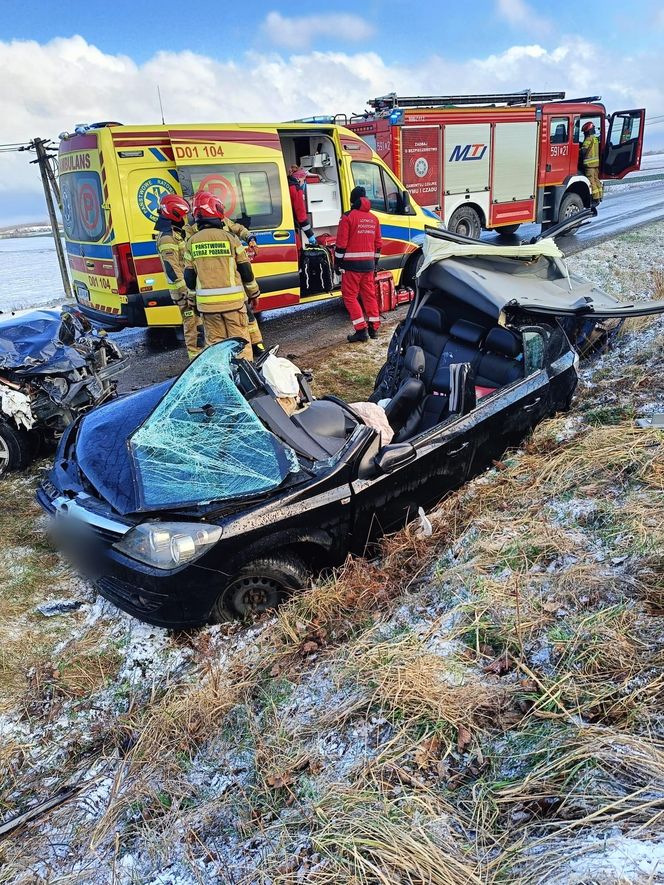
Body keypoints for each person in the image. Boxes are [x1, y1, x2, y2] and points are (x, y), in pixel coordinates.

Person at [183, 191, 259, 360]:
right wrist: (254, 294)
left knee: (216, 349)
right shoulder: (230, 239)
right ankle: (245, 384)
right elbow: (246, 270)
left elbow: (189, 276)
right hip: (233, 305)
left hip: (208, 309)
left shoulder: (191, 242)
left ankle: (223, 381)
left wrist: (192, 301)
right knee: (241, 345)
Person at [155, 194, 200, 359]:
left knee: (199, 327)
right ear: (174, 215)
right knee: (192, 328)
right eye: (182, 215)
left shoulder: (176, 233)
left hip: (188, 290)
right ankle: (195, 361)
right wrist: (187, 292)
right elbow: (172, 268)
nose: (184, 219)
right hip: (183, 294)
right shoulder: (167, 238)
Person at [334, 185, 382, 343]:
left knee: (349, 297)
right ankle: (374, 328)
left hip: (352, 266)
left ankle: (361, 330)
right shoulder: (374, 219)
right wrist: (374, 263)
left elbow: (341, 244)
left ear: (352, 200)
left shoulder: (347, 217)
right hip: (368, 266)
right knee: (369, 296)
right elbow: (378, 244)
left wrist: (337, 262)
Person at [217, 204, 265, 356]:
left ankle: (257, 344)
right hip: (220, 280)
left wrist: (250, 239)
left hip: (232, 277)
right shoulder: (196, 232)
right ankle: (242, 355)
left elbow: (239, 228)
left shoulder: (223, 221)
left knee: (248, 314)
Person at [288, 165, 317, 246]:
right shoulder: (296, 190)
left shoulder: (288, 185)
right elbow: (301, 217)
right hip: (292, 225)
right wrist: (310, 236)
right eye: (304, 180)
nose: (304, 182)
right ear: (298, 179)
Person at [580, 121, 604, 204]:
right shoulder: (595, 139)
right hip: (596, 164)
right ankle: (600, 196)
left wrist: (579, 150)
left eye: (585, 132)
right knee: (596, 180)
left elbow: (583, 150)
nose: (584, 134)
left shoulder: (589, 138)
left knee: (591, 181)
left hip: (589, 164)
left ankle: (595, 198)